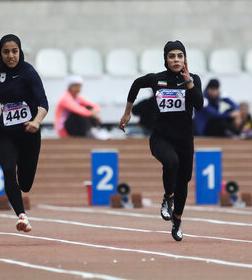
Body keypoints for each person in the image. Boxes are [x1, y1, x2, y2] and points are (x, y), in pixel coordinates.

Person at [119, 41, 203, 242]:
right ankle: (168, 197)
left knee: (184, 181)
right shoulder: (157, 79)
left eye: (180, 56)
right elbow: (136, 84)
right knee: (170, 162)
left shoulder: (194, 79)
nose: (176, 60)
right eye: (172, 56)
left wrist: (189, 81)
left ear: (185, 59)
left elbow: (199, 105)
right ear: (165, 59)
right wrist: (127, 112)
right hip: (161, 137)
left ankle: (178, 219)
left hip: (184, 139)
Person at [0, 34, 48, 233]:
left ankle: (22, 205)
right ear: (1, 53)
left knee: (25, 183)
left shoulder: (29, 73)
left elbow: (43, 104)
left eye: (14, 51)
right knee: (8, 170)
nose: (11, 56)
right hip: (6, 134)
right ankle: (22, 216)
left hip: (29, 134)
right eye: (6, 52)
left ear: (20, 51)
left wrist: (36, 121)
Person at [54, 75, 109, 140]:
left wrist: (94, 112)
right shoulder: (65, 98)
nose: (79, 89)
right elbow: (78, 110)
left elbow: (95, 106)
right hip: (63, 128)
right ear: (71, 87)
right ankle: (91, 130)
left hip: (74, 126)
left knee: (89, 108)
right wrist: (93, 114)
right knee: (79, 113)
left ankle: (94, 130)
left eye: (80, 86)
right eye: (76, 86)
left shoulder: (77, 98)